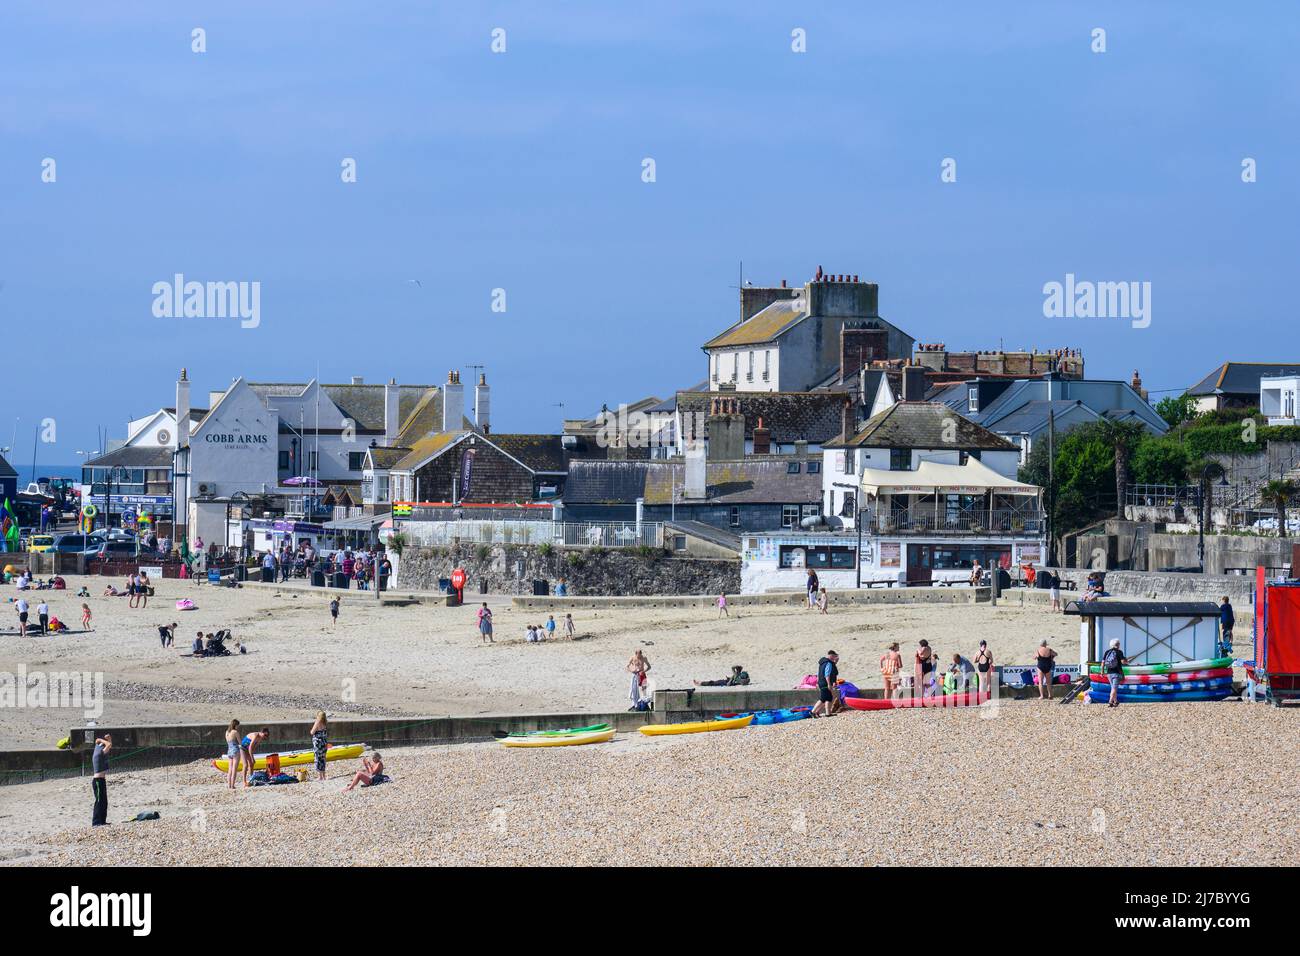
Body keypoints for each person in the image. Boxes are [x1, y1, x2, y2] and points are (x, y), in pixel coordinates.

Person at [810, 651, 840, 717]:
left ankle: (827, 713)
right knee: (824, 698)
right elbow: (827, 675)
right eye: (835, 656)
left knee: (827, 697)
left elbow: (820, 673)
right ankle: (813, 712)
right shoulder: (828, 663)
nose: (835, 658)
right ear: (831, 656)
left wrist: (835, 662)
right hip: (825, 683)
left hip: (821, 682)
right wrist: (829, 684)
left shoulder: (823, 663)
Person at [91, 734, 112, 825]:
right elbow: (108, 745)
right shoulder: (99, 753)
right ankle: (96, 822)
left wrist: (109, 739)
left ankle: (102, 821)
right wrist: (101, 739)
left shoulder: (99, 751)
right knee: (99, 801)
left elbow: (109, 745)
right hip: (97, 781)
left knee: (104, 801)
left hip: (101, 780)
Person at [1101, 639, 1128, 708]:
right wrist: (1126, 661)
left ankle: (1115, 701)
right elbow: (1123, 662)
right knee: (1114, 688)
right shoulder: (1119, 652)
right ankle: (1110, 701)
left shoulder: (1107, 652)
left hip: (1109, 673)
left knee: (1113, 687)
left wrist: (1102, 672)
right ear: (1118, 644)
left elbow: (1103, 663)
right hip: (1117, 673)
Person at [223, 720, 243, 790]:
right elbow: (240, 743)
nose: (238, 727)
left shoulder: (227, 732)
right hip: (235, 750)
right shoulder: (235, 732)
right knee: (234, 768)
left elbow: (228, 742)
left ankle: (229, 785)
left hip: (229, 750)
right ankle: (232, 785)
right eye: (238, 726)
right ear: (236, 725)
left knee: (230, 769)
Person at [310, 712, 329, 781]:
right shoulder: (325, 723)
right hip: (324, 743)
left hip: (318, 744)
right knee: (323, 759)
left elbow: (312, 732)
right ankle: (324, 776)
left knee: (318, 759)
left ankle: (320, 776)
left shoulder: (317, 722)